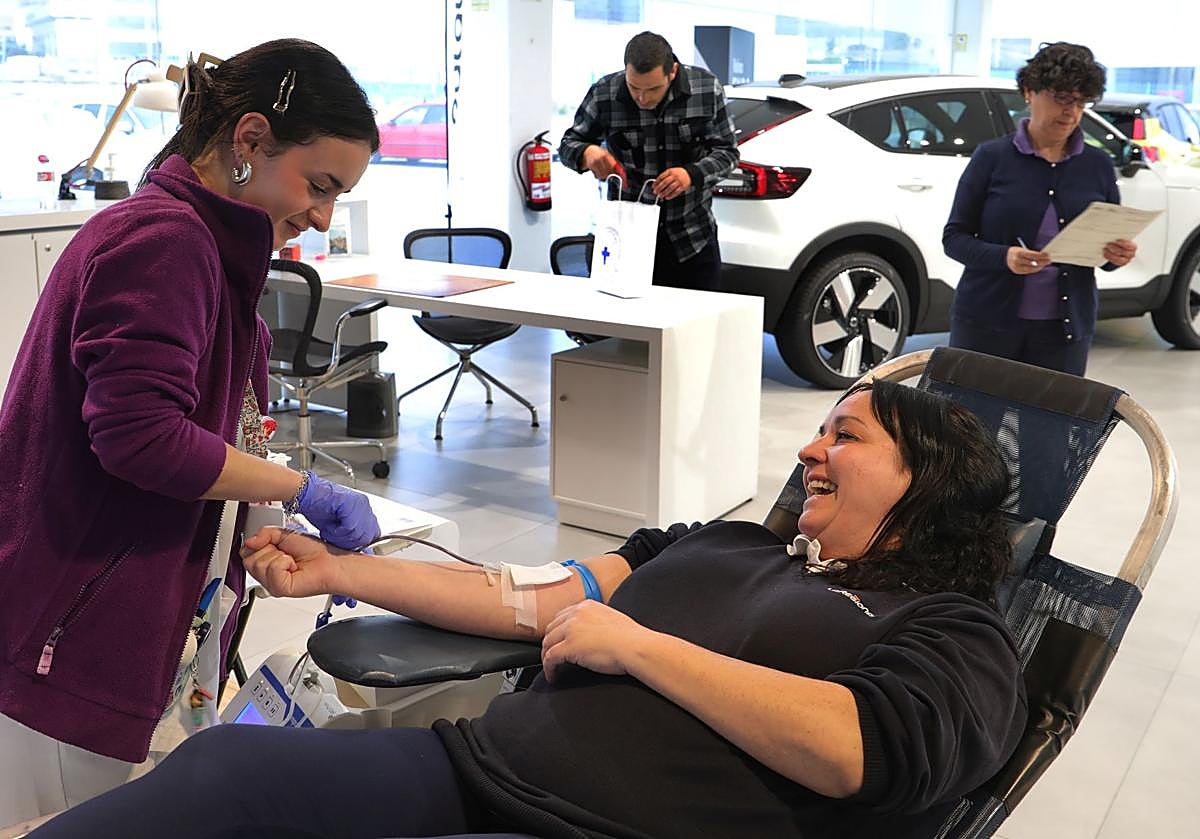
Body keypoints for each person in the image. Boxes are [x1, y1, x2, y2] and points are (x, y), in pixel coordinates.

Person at [28, 380, 1028, 839]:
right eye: (815, 428)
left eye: (843, 434)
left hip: (609, 824)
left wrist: (637, 646)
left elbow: (863, 746)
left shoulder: (954, 629)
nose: (810, 447)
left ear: (926, 478)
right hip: (479, 765)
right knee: (223, 767)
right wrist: (341, 573)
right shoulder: (736, 543)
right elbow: (529, 598)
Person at [0, 39, 385, 822]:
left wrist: (254, 507)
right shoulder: (166, 243)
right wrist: (300, 486)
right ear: (248, 140)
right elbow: (141, 436)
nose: (322, 217)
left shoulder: (213, 250)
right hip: (68, 636)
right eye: (319, 186)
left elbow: (195, 428)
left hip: (113, 613)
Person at [943, 41, 1138, 376]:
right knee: (975, 426)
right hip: (986, 327)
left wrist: (1115, 255)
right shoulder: (992, 158)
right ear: (1029, 92)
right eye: (1062, 98)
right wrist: (1004, 257)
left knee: (1051, 427)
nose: (1071, 111)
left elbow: (1103, 252)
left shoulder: (1098, 165)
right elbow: (955, 238)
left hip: (1064, 333)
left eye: (1080, 101)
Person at [559, 31, 739, 292]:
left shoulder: (706, 89)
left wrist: (692, 174)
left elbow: (728, 153)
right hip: (625, 239)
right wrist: (587, 153)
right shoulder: (604, 93)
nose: (642, 98)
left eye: (653, 89)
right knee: (625, 328)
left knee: (692, 329)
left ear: (672, 72)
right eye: (634, 88)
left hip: (691, 238)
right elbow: (567, 144)